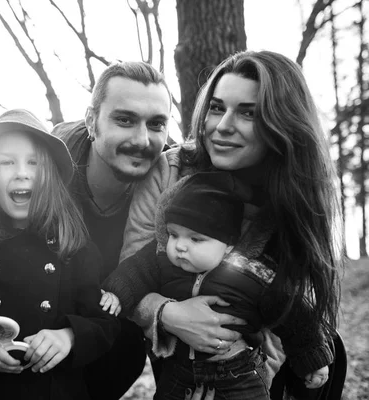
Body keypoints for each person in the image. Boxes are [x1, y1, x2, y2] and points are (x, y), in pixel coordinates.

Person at [105, 50, 344, 399]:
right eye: (217, 107)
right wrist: (168, 314)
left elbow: (285, 309)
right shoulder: (170, 171)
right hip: (175, 361)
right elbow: (136, 265)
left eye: (248, 112)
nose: (222, 125)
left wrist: (245, 373)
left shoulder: (294, 198)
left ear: (282, 123)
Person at [0, 109, 120, 399]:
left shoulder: (74, 248)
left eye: (33, 163)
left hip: (54, 390)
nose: (21, 172)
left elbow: (104, 324)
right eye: (7, 162)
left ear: (49, 176)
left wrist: (68, 336)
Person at [102, 170, 332, 399]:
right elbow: (132, 273)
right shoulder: (161, 260)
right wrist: (116, 293)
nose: (180, 246)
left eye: (195, 239)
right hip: (179, 371)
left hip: (238, 374)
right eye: (173, 234)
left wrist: (312, 359)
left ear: (229, 244)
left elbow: (293, 313)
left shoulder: (251, 272)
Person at [51, 60, 178, 400]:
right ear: (92, 120)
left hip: (121, 339)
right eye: (124, 119)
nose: (142, 139)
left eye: (156, 124)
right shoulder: (47, 168)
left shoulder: (177, 180)